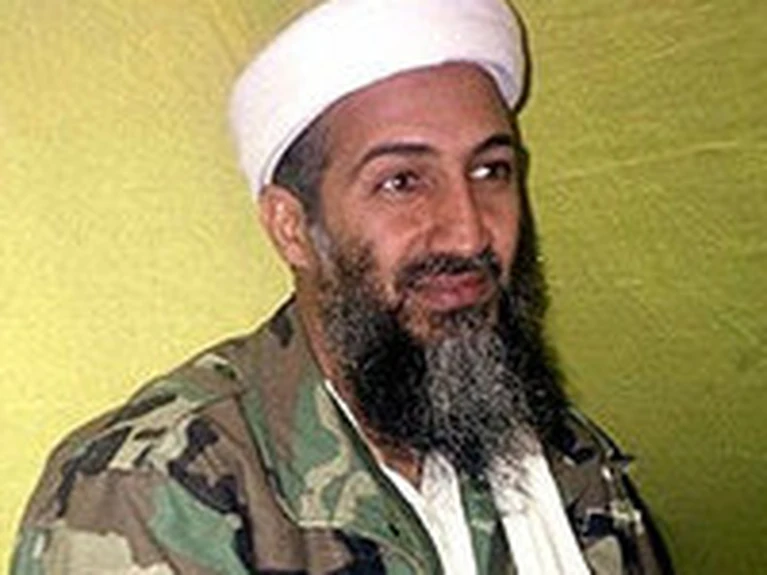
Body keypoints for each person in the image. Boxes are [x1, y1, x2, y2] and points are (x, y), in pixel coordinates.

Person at [11, 0, 673, 573]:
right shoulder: (150, 493)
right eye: (401, 181)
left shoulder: (561, 457)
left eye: (490, 171)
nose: (469, 231)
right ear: (292, 228)